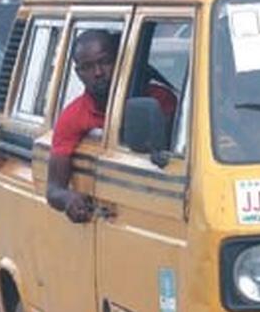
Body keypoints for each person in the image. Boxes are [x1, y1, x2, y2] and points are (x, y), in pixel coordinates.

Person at [47, 29, 176, 223]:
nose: (98, 73)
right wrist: (69, 200)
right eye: (88, 67)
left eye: (105, 62)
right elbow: (54, 189)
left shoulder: (159, 99)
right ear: (78, 73)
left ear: (120, 61)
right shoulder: (73, 116)